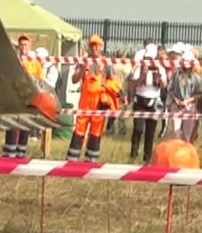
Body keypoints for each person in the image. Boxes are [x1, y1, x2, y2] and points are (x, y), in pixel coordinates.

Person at [66, 34, 122, 162]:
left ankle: (91, 159)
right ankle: (72, 159)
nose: (94, 48)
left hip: (99, 102)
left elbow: (113, 82)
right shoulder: (84, 61)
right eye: (92, 45)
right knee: (79, 129)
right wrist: (82, 70)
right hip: (85, 102)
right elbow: (74, 80)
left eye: (97, 45)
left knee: (96, 131)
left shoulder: (106, 63)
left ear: (101, 47)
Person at [129, 40, 166, 163]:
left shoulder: (160, 68)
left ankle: (147, 158)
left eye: (151, 58)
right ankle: (133, 154)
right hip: (140, 100)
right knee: (138, 129)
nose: (149, 61)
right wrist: (142, 76)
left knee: (150, 132)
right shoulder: (140, 68)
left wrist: (160, 77)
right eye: (147, 58)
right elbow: (133, 84)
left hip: (154, 101)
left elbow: (164, 85)